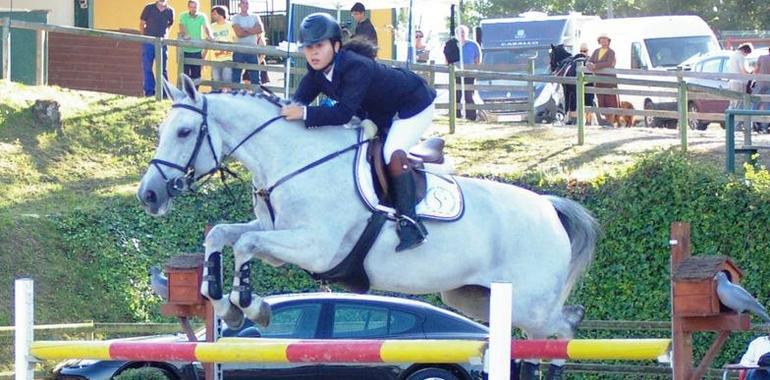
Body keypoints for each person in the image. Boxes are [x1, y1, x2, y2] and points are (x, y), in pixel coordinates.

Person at [280, 13, 436, 252]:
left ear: (336, 45)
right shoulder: (316, 74)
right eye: (308, 47)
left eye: (319, 46)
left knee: (391, 152)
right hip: (380, 111)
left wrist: (303, 114)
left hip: (413, 104)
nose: (313, 53)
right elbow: (296, 102)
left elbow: (342, 113)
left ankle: (410, 223)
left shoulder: (356, 66)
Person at [139, 0, 174, 97]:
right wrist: (144, 38)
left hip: (162, 43)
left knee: (163, 68)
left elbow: (170, 24)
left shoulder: (170, 10)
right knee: (147, 67)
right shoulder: (149, 8)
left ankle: (164, 93)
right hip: (149, 42)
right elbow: (142, 23)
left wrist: (166, 36)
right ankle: (149, 92)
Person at [587, 33, 619, 126]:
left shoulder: (611, 52)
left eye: (605, 39)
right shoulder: (596, 51)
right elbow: (590, 60)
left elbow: (609, 63)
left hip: (609, 80)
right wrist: (589, 64)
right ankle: (605, 122)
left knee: (610, 101)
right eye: (601, 39)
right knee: (601, 100)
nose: (603, 41)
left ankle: (611, 122)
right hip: (599, 80)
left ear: (609, 41)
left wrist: (596, 66)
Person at [179, 0, 212, 88]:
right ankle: (185, 94)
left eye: (195, 7)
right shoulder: (183, 16)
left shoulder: (202, 16)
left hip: (197, 50)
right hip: (185, 50)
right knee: (185, 75)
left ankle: (195, 95)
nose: (193, 9)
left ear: (198, 7)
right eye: (191, 7)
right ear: (188, 7)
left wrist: (210, 36)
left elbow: (206, 27)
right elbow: (181, 27)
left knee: (196, 75)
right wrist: (185, 35)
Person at [231, 0, 264, 85]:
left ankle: (256, 96)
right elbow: (239, 34)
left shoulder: (255, 16)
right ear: (239, 5)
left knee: (255, 77)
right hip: (239, 50)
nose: (245, 5)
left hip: (252, 50)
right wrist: (252, 30)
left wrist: (244, 29)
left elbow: (260, 29)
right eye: (243, 3)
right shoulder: (235, 17)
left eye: (247, 3)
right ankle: (236, 95)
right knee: (236, 76)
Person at [454, 25, 481, 121]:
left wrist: (474, 70)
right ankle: (456, 116)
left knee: (468, 95)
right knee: (456, 95)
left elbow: (477, 60)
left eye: (463, 32)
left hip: (469, 74)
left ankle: (471, 117)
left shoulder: (473, 45)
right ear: (456, 34)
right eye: (459, 32)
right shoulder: (453, 45)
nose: (461, 34)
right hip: (456, 73)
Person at [566, 43, 594, 125]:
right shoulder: (575, 61)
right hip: (579, 87)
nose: (583, 52)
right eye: (582, 51)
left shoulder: (590, 61)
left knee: (588, 102)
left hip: (586, 87)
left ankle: (587, 121)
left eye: (584, 51)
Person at [209, 6, 236, 91]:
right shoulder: (211, 26)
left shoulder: (230, 25)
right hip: (214, 59)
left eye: (214, 14)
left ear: (221, 14)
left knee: (227, 80)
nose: (212, 15)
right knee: (216, 81)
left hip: (228, 57)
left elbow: (235, 40)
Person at [754, 47, 770, 131]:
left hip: (760, 83)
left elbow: (756, 71)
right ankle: (765, 127)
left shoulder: (761, 57)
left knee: (754, 103)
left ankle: (752, 123)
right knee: (768, 105)